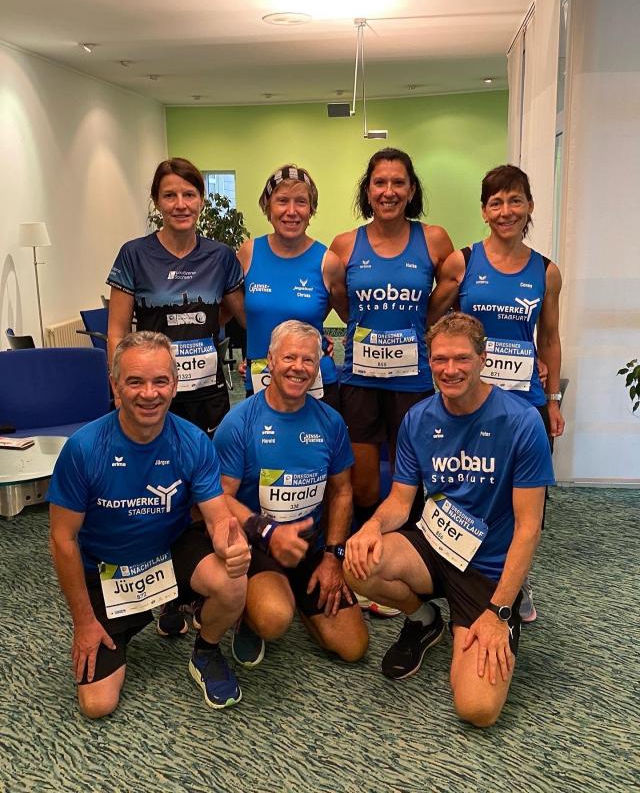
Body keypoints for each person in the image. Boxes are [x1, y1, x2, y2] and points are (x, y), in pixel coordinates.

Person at [344, 313, 554, 727]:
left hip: (487, 568)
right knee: (359, 563)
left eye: (461, 358)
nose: (450, 369)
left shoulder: (522, 422)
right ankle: (423, 620)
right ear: (429, 360)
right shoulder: (418, 418)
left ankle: (483, 621)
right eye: (440, 359)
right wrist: (370, 527)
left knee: (477, 709)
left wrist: (499, 612)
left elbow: (529, 528)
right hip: (434, 547)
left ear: (483, 358)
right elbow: (400, 501)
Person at [48, 332, 251, 717]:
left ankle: (205, 650)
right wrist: (84, 622)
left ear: (174, 385)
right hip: (107, 568)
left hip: (168, 551)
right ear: (115, 386)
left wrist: (233, 546)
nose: (149, 393)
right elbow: (63, 539)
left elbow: (219, 517)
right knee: (97, 704)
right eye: (135, 382)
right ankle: (144, 611)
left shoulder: (193, 442)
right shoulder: (84, 449)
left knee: (232, 581)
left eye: (160, 381)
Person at [106, 157, 246, 635]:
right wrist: (118, 387)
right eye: (170, 195)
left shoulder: (220, 256)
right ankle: (162, 591)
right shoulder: (134, 255)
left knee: (203, 492)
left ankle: (190, 582)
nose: (180, 204)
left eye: (189, 194)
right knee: (153, 490)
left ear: (201, 200)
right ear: (157, 201)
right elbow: (116, 330)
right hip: (151, 398)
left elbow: (239, 314)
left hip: (207, 395)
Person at [428, 164, 564, 621]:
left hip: (523, 406)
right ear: (484, 211)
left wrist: (552, 400)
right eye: (496, 202)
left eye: (514, 200)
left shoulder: (546, 272)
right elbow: (433, 321)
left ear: (529, 206)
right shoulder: (462, 262)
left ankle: (515, 581)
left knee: (523, 504)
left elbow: (549, 339)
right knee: (475, 491)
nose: (506, 211)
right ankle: (464, 576)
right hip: (469, 405)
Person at [330, 148, 454, 616]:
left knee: (414, 483)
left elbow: (452, 289)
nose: (388, 191)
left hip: (414, 384)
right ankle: (366, 565)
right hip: (360, 382)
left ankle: (408, 564)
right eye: (379, 183)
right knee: (364, 486)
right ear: (368, 190)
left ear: (411, 189)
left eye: (398, 182)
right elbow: (342, 304)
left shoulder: (434, 240)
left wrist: (423, 326)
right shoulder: (345, 245)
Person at [214, 320, 368, 667]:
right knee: (272, 618)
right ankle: (249, 612)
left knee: (353, 647)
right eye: (289, 358)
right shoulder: (239, 423)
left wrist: (333, 558)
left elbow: (342, 492)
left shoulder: (330, 422)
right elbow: (220, 498)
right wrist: (268, 531)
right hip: (260, 547)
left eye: (308, 360)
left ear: (318, 366)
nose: (298, 367)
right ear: (270, 360)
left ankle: (300, 598)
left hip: (311, 549)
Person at [237, 163, 347, 410]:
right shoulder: (248, 253)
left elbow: (349, 315)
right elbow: (240, 312)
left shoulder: (328, 262)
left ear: (311, 209)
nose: (291, 211)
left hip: (315, 383)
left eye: (301, 202)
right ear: (268, 207)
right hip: (261, 379)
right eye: (282, 201)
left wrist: (319, 338)